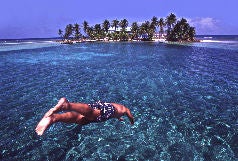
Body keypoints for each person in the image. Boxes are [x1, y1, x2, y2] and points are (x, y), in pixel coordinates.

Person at [35, 97, 134, 136]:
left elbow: (117, 112)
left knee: (81, 120)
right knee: (92, 115)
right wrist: (132, 123)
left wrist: (118, 118)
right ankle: (66, 105)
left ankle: (54, 118)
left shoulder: (120, 108)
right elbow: (131, 117)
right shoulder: (126, 110)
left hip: (105, 105)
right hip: (108, 110)